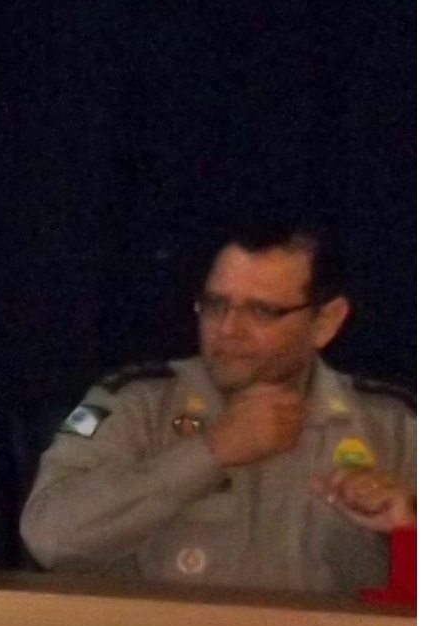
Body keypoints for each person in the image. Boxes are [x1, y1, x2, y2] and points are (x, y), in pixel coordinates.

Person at [20, 226, 415, 593]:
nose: (227, 329)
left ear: (325, 322)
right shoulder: (133, 404)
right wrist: (209, 453)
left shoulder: (396, 426)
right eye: (215, 304)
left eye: (261, 311)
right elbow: (47, 536)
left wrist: (409, 528)